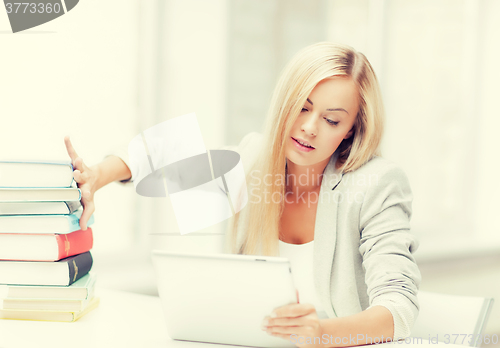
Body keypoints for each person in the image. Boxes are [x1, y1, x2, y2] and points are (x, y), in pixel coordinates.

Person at [64, 42, 420, 348]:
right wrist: (97, 176)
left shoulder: (377, 183)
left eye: (331, 120)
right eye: (303, 106)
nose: (309, 128)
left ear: (351, 130)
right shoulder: (255, 160)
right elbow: (164, 159)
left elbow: (398, 309)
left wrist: (320, 335)